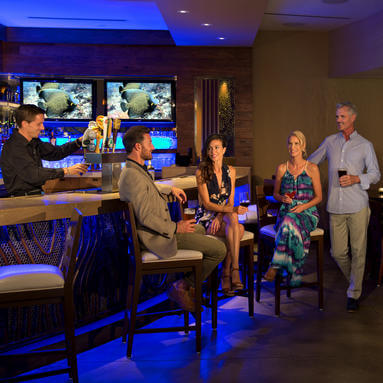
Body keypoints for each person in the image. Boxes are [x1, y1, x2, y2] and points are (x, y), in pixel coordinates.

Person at [118, 126, 226, 312]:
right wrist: (176, 227)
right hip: (155, 239)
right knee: (219, 249)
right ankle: (183, 286)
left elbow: (147, 189)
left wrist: (169, 190)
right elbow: (145, 216)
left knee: (199, 229)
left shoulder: (134, 170)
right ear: (137, 147)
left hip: (156, 234)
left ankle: (191, 289)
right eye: (149, 143)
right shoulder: (132, 175)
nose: (153, 147)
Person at [309, 102, 380, 312]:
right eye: (337, 117)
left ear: (352, 118)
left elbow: (376, 174)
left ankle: (353, 294)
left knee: (359, 251)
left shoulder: (365, 145)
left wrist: (357, 178)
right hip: (335, 205)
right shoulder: (330, 141)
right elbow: (312, 163)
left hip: (357, 204)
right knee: (338, 252)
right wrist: (295, 165)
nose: (338, 120)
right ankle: (355, 280)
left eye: (341, 117)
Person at [264, 130, 322, 286]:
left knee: (289, 223)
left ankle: (275, 265)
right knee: (289, 220)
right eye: (290, 143)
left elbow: (319, 197)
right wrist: (282, 198)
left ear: (303, 146)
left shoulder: (312, 168)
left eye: (296, 143)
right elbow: (276, 194)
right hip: (287, 211)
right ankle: (292, 270)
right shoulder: (282, 168)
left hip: (308, 212)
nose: (292, 146)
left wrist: (303, 207)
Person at [195, 134, 248, 296]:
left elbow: (230, 201)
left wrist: (220, 216)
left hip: (222, 217)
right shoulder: (201, 172)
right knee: (238, 229)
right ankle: (231, 271)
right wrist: (225, 212)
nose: (213, 151)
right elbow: (207, 204)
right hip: (206, 217)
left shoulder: (231, 171)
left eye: (217, 147)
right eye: (210, 148)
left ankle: (228, 271)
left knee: (233, 219)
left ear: (224, 150)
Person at [0, 104, 88, 196]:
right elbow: (33, 174)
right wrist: (66, 171)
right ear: (25, 124)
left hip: (34, 195)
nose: (43, 128)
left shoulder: (33, 141)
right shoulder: (14, 146)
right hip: (21, 199)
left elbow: (55, 153)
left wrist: (79, 142)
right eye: (39, 124)